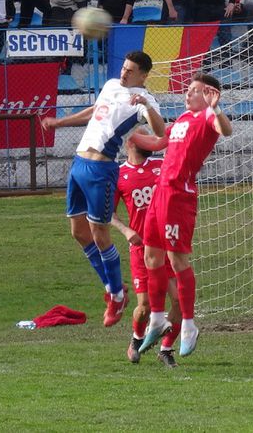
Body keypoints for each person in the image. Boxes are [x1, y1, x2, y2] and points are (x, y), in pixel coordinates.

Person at [39, 51, 166, 327]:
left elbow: (160, 131)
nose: (124, 73)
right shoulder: (110, 86)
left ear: (143, 76)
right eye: (123, 67)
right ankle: (112, 286)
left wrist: (146, 104)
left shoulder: (143, 101)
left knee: (99, 234)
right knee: (78, 232)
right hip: (79, 164)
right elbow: (94, 112)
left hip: (100, 169)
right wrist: (59, 122)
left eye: (130, 71)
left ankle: (117, 296)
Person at [133, 74, 232, 359]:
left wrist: (217, 108)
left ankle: (188, 325)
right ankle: (156, 318)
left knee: (177, 260)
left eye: (194, 91)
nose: (187, 94)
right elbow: (159, 142)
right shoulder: (182, 120)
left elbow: (225, 130)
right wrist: (126, 134)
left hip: (179, 195)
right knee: (152, 257)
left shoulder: (207, 118)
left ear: (209, 94)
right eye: (188, 90)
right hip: (160, 193)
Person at [110, 137, 181, 367]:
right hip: (141, 249)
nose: (150, 141)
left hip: (166, 245)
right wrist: (126, 230)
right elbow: (107, 213)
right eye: (144, 137)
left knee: (180, 301)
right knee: (145, 308)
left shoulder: (161, 165)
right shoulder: (118, 175)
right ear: (130, 143)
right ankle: (137, 338)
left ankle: (166, 349)